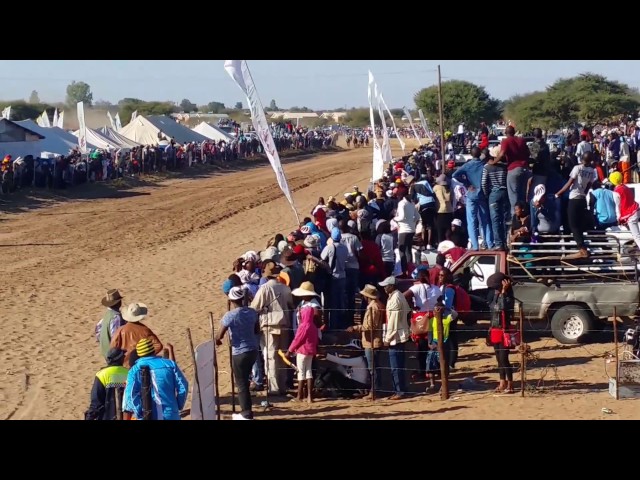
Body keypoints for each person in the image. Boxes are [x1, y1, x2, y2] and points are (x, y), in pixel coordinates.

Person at [217, 287, 260, 420]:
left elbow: (219, 336)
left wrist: (217, 341)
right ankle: (246, 410)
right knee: (246, 381)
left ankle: (246, 413)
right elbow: (257, 330)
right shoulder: (252, 312)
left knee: (241, 383)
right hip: (253, 349)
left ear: (231, 299)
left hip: (239, 352)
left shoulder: (230, 315)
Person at [122, 338, 189, 420]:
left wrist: (140, 413)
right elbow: (183, 386)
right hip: (170, 414)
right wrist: (178, 404)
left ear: (139, 354)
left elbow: (130, 396)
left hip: (148, 416)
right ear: (153, 351)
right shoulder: (169, 364)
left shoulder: (134, 370)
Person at [554, 152, 597, 259]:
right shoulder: (592, 171)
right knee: (579, 224)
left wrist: (558, 193)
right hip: (582, 199)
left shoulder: (577, 168)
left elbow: (570, 183)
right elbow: (588, 186)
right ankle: (581, 247)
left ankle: (582, 249)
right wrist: (583, 193)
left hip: (574, 199)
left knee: (573, 224)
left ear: (582, 159)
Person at [347, 284, 385, 398]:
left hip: (371, 341)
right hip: (374, 339)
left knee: (372, 367)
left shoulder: (373, 307)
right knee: (374, 366)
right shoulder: (378, 305)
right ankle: (376, 389)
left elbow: (369, 326)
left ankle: (375, 391)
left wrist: (355, 328)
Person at [452, 147, 493, 250]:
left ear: (471, 154)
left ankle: (475, 246)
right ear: (479, 154)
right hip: (482, 194)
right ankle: (489, 243)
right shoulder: (484, 165)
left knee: (471, 221)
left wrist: (466, 183)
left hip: (471, 193)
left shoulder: (468, 165)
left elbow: (454, 174)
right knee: (485, 220)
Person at [404, 267, 441, 380]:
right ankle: (434, 370)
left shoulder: (416, 288)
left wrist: (412, 306)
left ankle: (422, 371)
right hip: (434, 318)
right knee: (434, 345)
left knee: (421, 347)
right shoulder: (436, 288)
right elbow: (440, 301)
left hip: (420, 319)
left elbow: (404, 295)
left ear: (419, 277)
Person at [380, 276, 411, 400]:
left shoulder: (395, 298)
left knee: (395, 366)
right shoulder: (398, 296)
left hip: (395, 337)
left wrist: (387, 339)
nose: (384, 288)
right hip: (400, 334)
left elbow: (393, 322)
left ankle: (399, 391)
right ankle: (401, 389)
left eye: (386, 286)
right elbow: (407, 312)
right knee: (399, 365)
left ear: (392, 286)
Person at [486, 272, 515, 394]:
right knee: (498, 358)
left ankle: (511, 384)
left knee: (504, 358)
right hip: (495, 329)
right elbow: (492, 308)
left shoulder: (508, 296)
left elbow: (502, 307)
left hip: (504, 329)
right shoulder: (495, 294)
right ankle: (502, 382)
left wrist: (503, 292)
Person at [286, 301, 320, 404]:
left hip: (302, 351)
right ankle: (310, 396)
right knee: (309, 372)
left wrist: (289, 350)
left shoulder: (303, 326)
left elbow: (298, 340)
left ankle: (299, 396)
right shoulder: (313, 326)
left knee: (300, 373)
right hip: (310, 351)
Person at [110, 302, 163, 368]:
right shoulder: (145, 330)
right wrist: (146, 355)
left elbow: (113, 347)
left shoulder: (120, 330)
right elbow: (158, 345)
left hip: (124, 364)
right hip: (141, 364)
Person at [84, 348, 128, 420]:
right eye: (123, 356)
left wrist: (90, 417)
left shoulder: (102, 374)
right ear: (120, 359)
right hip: (126, 417)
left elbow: (96, 402)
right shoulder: (128, 373)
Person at [482, 149, 509, 250]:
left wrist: (486, 195)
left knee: (495, 220)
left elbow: (484, 183)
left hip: (493, 194)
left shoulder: (487, 168)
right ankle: (506, 242)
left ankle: (499, 243)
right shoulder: (505, 167)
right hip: (504, 192)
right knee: (505, 219)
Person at [610, 171, 640, 251]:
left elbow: (618, 206)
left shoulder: (616, 191)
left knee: (636, 236)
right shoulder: (625, 187)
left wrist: (618, 218)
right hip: (635, 210)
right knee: (635, 233)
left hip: (629, 214)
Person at [394, 192, 420, 277]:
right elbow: (417, 217)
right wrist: (412, 223)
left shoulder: (401, 203)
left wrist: (394, 219)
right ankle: (410, 271)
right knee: (408, 251)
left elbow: (401, 217)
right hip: (411, 230)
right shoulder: (412, 203)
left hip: (403, 230)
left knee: (402, 251)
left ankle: (404, 272)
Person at [95, 289, 125, 360]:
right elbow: (116, 337)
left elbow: (97, 329)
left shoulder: (106, 315)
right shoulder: (116, 317)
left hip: (105, 351)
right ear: (119, 302)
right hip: (113, 353)